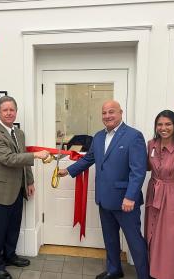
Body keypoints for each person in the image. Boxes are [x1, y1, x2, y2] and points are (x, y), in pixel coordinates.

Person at [59, 100, 149, 279]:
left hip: (125, 202)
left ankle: (144, 275)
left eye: (111, 112)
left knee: (134, 241)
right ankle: (114, 269)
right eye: (104, 113)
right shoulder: (98, 136)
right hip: (104, 199)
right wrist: (68, 170)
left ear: (121, 113)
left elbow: (138, 171)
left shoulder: (134, 136)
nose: (107, 116)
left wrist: (130, 196)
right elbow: (88, 159)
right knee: (110, 238)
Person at [0, 96, 49, 279]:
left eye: (12, 109)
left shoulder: (19, 133)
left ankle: (10, 255)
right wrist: (36, 156)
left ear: (16, 111)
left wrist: (29, 181)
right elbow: (9, 159)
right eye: (5, 110)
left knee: (13, 227)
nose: (9, 113)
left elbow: (23, 161)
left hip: (17, 189)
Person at [145, 110, 174, 279]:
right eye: (160, 124)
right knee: (152, 234)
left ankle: (170, 274)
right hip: (154, 192)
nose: (163, 128)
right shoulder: (151, 144)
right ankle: (153, 272)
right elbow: (147, 167)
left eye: (168, 124)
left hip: (172, 197)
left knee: (170, 239)